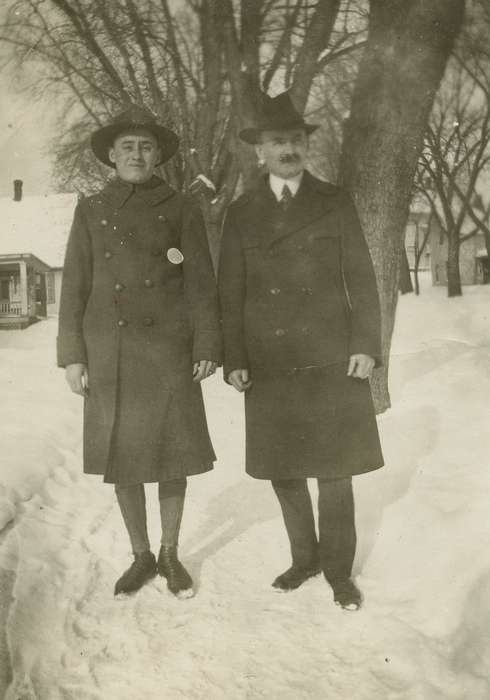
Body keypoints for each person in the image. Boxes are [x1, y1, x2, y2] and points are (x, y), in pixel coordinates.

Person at [218, 91, 383, 610]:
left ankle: (338, 571)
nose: (287, 148)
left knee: (335, 469)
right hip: (269, 362)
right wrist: (235, 359)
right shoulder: (241, 212)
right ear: (259, 152)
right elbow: (230, 291)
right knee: (283, 468)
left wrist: (366, 345)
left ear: (305, 145)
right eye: (276, 141)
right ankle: (303, 557)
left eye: (294, 139)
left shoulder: (335, 200)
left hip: (331, 355)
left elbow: (361, 275)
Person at [58, 105, 222, 599]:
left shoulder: (180, 207)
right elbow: (76, 285)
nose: (136, 153)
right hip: (112, 352)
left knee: (174, 456)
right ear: (111, 154)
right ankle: (142, 556)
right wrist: (73, 355)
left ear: (158, 156)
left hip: (168, 350)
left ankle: (171, 554)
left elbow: (201, 283)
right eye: (127, 146)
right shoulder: (90, 208)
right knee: (123, 458)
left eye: (145, 146)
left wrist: (207, 343)